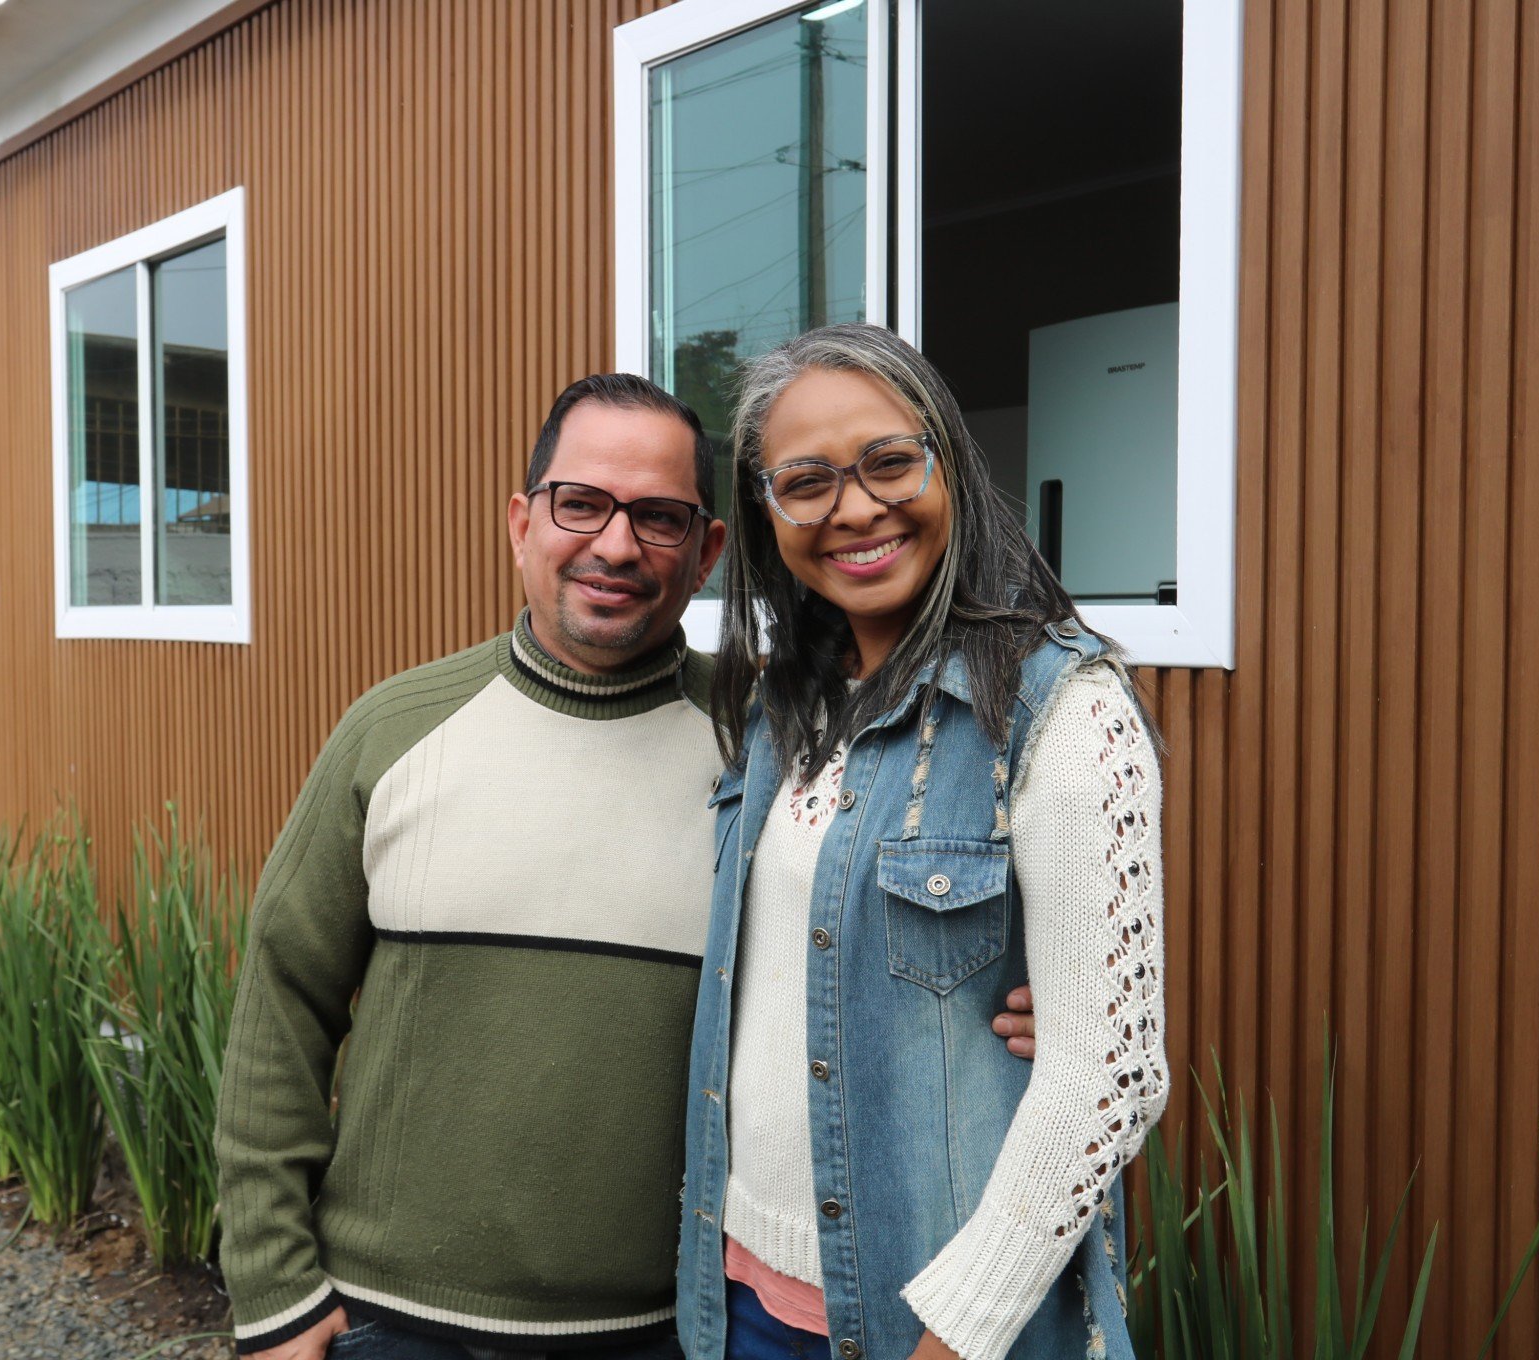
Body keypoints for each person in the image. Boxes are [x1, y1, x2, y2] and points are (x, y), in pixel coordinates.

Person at [213, 372, 1044, 1360]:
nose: (615, 545)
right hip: (391, 1322)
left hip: (661, 1330)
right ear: (522, 520)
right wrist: (275, 1292)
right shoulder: (393, 731)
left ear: (707, 553)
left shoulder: (770, 751)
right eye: (581, 504)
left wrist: (1014, 996)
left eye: (658, 516)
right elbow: (279, 1010)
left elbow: (862, 937)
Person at [678, 324, 1169, 1360]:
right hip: (741, 1304)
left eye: (890, 461)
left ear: (949, 461)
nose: (855, 508)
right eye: (805, 481)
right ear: (766, 516)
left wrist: (957, 1334)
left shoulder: (1064, 710)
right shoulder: (781, 712)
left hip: (932, 1325)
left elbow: (1110, 1075)